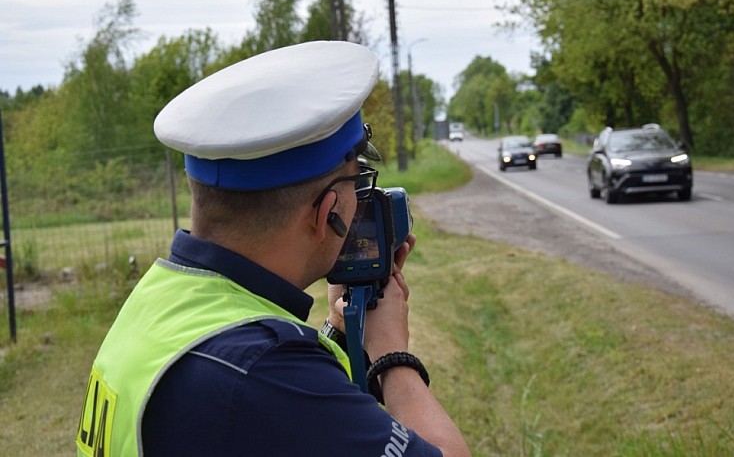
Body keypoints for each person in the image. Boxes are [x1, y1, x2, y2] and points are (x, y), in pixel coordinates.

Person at [76, 41, 471, 457]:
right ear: (327, 212)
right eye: (357, 184)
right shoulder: (262, 369)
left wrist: (338, 330)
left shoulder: (161, 300)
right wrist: (391, 355)